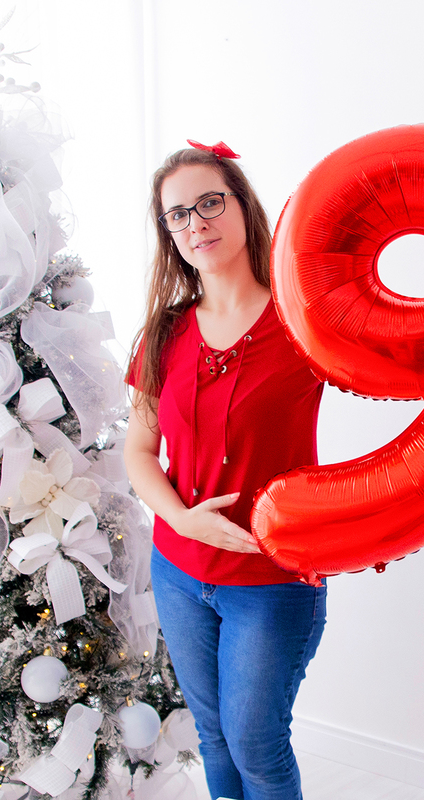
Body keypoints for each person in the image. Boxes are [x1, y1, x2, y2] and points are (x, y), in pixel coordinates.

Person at [123, 141, 326, 800]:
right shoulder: (165, 330)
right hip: (179, 571)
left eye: (210, 202)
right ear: (169, 235)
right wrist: (181, 518)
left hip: (271, 578)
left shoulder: (305, 322)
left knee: (256, 742)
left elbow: (405, 373)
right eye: (178, 215)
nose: (196, 223)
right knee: (213, 738)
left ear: (242, 206)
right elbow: (137, 450)